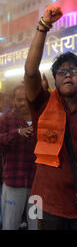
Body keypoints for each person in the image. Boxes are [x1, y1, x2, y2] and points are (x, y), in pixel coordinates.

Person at [24, 5, 77, 230]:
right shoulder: (42, 104)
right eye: (62, 72)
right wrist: (43, 27)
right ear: (54, 79)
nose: (68, 75)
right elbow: (30, 71)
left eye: (74, 71)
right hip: (47, 204)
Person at [0, 85, 37, 230]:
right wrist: (18, 133)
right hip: (14, 182)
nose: (23, 103)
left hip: (37, 183)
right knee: (11, 224)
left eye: (26, 99)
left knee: (36, 224)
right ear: (13, 101)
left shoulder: (40, 118)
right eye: (19, 100)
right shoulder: (6, 119)